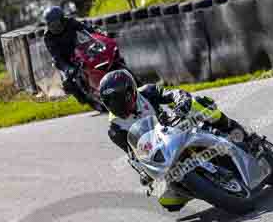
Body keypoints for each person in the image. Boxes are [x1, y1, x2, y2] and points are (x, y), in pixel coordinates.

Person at [98, 69, 255, 212]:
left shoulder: (147, 92)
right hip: (160, 150)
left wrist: (182, 100)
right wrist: (143, 172)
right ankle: (202, 186)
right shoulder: (115, 128)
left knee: (199, 104)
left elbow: (171, 94)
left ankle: (240, 134)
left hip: (176, 126)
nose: (116, 105)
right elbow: (132, 155)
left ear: (130, 92)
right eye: (110, 102)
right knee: (168, 201)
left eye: (119, 99)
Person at [43, 5, 105, 106]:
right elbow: (55, 56)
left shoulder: (70, 22)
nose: (55, 28)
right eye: (51, 25)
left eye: (57, 24)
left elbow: (85, 27)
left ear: (62, 20)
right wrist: (67, 68)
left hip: (78, 50)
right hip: (64, 59)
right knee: (67, 82)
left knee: (98, 57)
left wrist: (97, 33)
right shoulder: (47, 36)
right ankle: (84, 98)